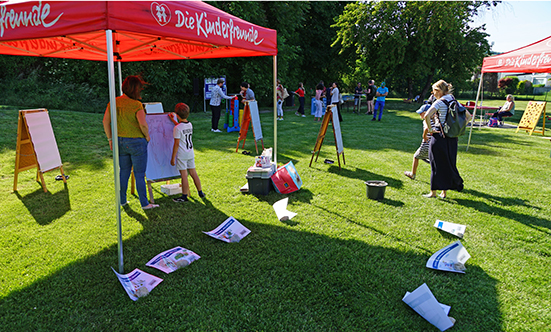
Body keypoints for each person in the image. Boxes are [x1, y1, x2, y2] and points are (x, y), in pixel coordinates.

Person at [103, 75, 158, 210]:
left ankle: (122, 200)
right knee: (139, 174)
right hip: (137, 142)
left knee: (124, 172)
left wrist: (110, 139)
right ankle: (145, 204)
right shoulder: (136, 105)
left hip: (119, 141)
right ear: (135, 89)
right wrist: (147, 136)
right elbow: (143, 124)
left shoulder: (113, 102)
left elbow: (105, 121)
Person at [422, 80, 471, 199]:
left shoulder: (439, 102)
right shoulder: (453, 100)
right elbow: (468, 116)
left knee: (436, 165)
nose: (432, 93)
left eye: (433, 91)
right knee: (448, 163)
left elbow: (427, 115)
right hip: (452, 138)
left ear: (438, 91)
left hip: (439, 136)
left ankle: (433, 192)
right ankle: (444, 192)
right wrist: (456, 127)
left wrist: (430, 129)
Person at [170, 103, 205, 202]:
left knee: (184, 176)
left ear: (177, 115)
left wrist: (173, 158)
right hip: (190, 152)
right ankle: (200, 192)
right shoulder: (189, 124)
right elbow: (181, 127)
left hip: (182, 154)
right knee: (194, 173)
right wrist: (173, 120)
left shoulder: (177, 128)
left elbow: (176, 144)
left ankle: (184, 196)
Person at [404, 95, 436, 180]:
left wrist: (424, 136)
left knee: (416, 156)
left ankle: (413, 174)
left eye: (421, 113)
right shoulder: (436, 120)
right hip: (435, 143)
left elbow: (426, 128)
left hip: (426, 143)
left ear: (426, 113)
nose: (420, 115)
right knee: (432, 159)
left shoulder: (426, 120)